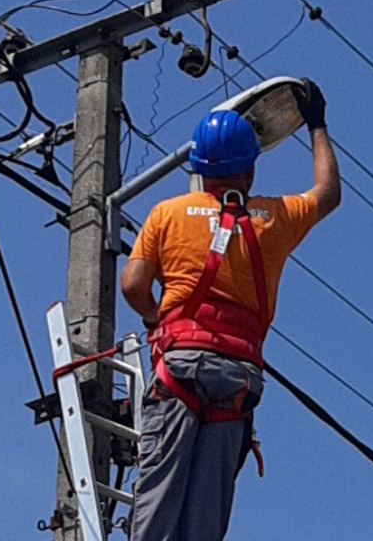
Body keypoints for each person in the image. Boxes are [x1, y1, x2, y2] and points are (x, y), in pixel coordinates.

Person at [120, 79, 339, 541]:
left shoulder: (167, 214)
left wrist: (154, 320)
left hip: (180, 368)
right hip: (238, 379)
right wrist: (316, 124)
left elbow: (134, 285)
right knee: (205, 520)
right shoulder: (274, 218)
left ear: (199, 167)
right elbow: (327, 194)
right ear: (250, 172)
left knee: (158, 504)